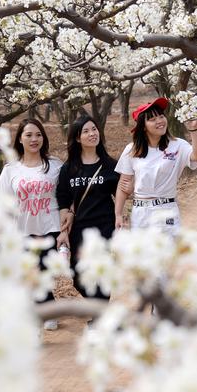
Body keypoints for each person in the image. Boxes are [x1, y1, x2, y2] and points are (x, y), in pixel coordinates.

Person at [0, 118, 63, 330]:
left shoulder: (56, 166)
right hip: (21, 229)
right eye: (29, 135)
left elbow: (66, 197)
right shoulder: (10, 170)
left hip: (49, 227)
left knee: (43, 271)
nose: (34, 139)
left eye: (38, 135)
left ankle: (45, 310)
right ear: (20, 140)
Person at [114, 97, 197, 235]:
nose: (160, 121)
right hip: (140, 212)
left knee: (168, 253)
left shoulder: (177, 145)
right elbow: (123, 184)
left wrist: (194, 130)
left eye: (161, 116)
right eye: (152, 119)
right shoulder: (132, 150)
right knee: (143, 254)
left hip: (166, 209)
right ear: (143, 126)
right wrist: (118, 215)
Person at [56, 114, 120, 300]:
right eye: (86, 131)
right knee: (78, 275)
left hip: (104, 228)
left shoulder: (110, 165)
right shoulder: (69, 168)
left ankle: (99, 317)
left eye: (94, 129)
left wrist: (120, 218)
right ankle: (100, 313)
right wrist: (64, 228)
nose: (92, 134)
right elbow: (63, 197)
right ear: (77, 138)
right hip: (79, 228)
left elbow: (122, 194)